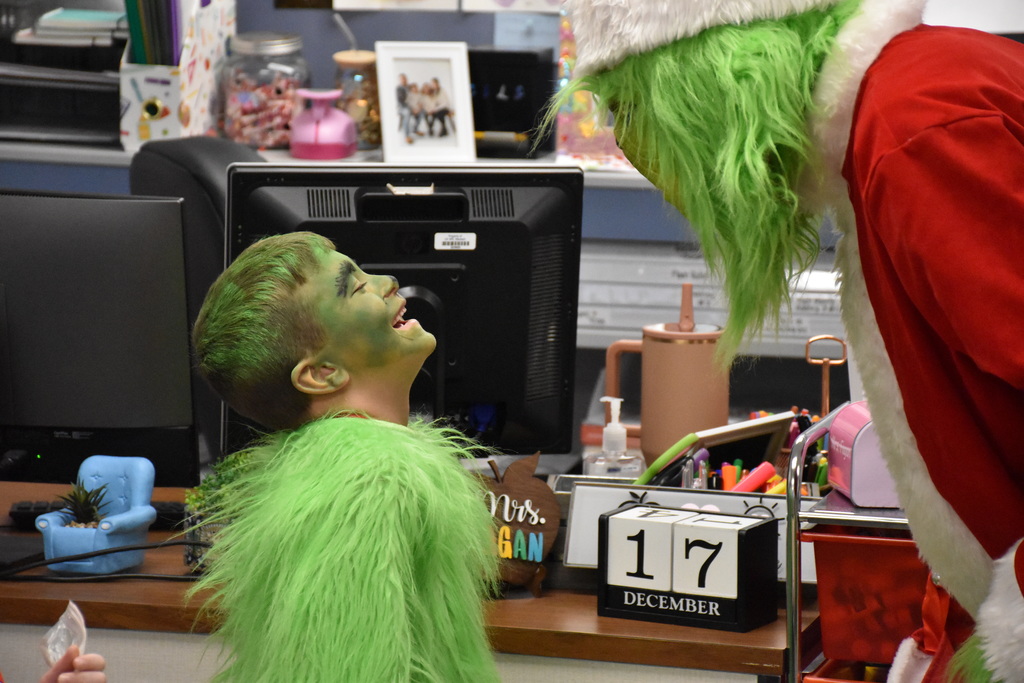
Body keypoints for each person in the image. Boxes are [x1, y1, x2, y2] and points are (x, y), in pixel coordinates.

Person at [555, 0, 1024, 681]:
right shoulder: (891, 116)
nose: (629, 147)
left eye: (631, 108)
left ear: (711, 73)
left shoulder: (916, 127)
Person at [188, 232, 500, 682]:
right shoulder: (373, 479)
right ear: (322, 373)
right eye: (355, 287)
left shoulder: (329, 471)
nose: (388, 282)